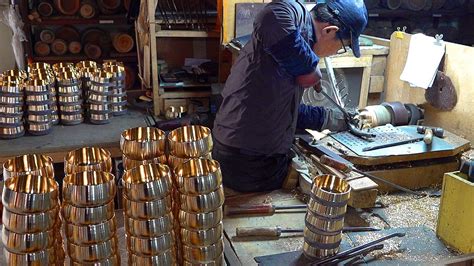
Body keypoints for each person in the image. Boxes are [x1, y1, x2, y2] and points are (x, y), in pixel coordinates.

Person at [213, 0, 368, 192]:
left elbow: (282, 111)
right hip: (246, 163)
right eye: (342, 47)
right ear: (329, 30)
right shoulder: (294, 17)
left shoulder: (299, 44)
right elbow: (271, 16)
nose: (335, 53)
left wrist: (329, 119)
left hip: (258, 157)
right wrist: (308, 65)